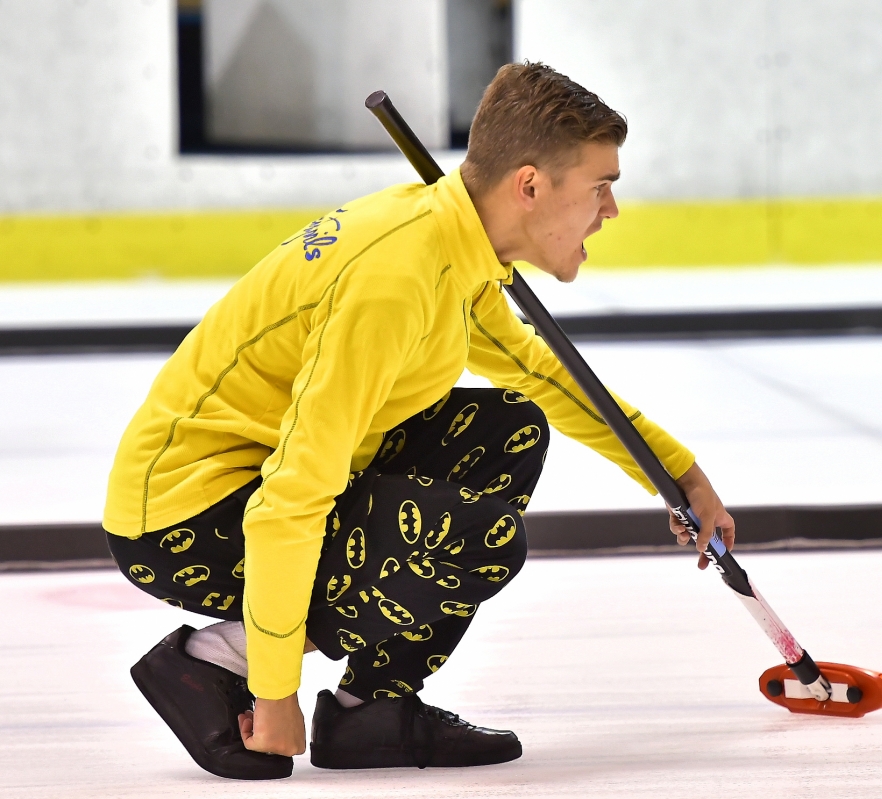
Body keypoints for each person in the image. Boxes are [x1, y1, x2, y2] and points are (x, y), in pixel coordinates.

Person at [103, 62, 736, 780]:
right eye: (600, 186)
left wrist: (682, 476)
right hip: (186, 519)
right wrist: (273, 691)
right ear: (530, 186)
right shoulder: (395, 283)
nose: (611, 209)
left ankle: (370, 709)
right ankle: (213, 659)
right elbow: (290, 498)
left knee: (510, 431)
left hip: (258, 487)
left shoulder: (452, 250)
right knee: (479, 539)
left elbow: (544, 376)